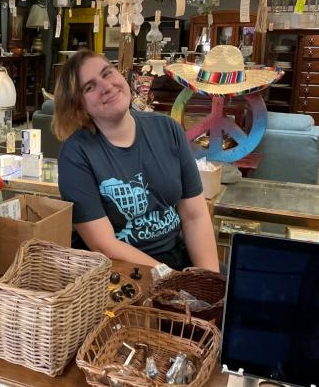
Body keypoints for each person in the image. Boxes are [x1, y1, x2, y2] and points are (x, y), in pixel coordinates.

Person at [53, 50, 219, 272]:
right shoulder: (76, 154)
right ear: (79, 106)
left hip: (177, 257)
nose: (107, 87)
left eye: (107, 73)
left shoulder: (167, 129)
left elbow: (194, 215)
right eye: (89, 87)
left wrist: (207, 280)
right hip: (120, 271)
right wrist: (171, 280)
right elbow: (104, 245)